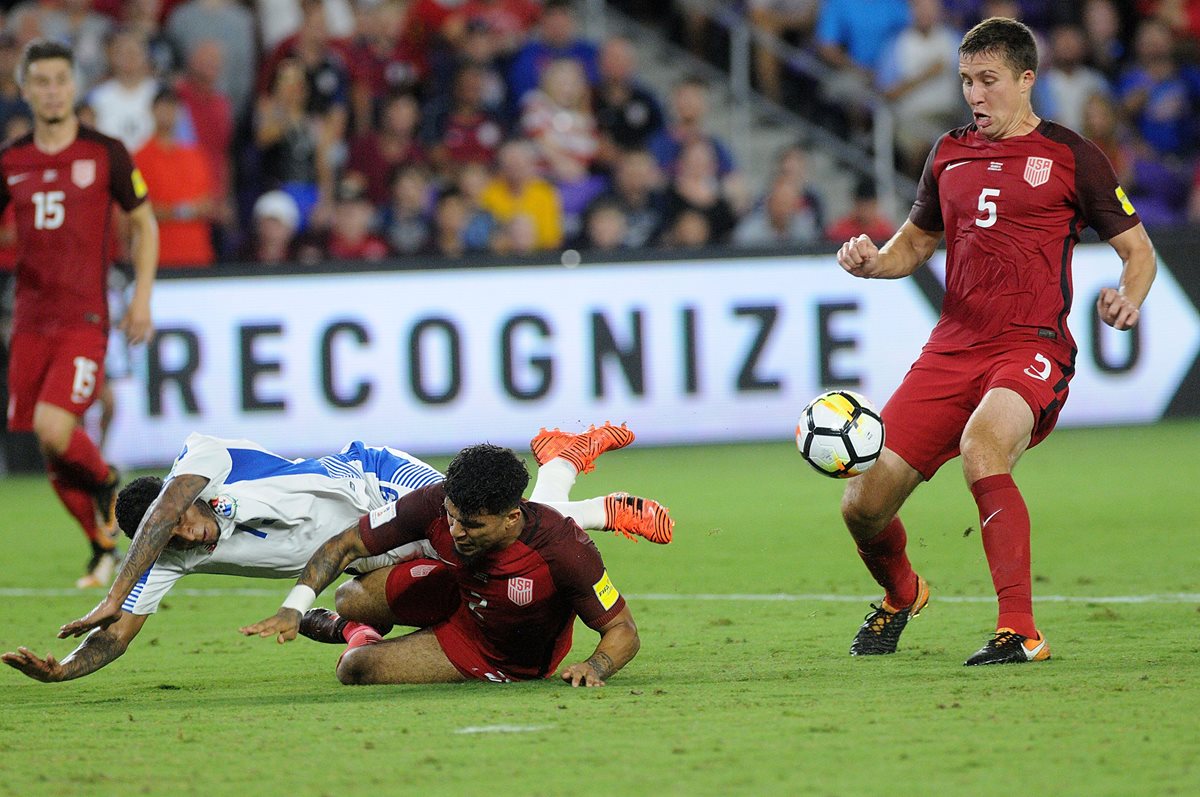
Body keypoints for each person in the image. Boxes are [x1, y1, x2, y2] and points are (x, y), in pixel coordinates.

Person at [833, 17, 1156, 666]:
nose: (974, 96)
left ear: (1025, 79)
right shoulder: (948, 154)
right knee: (861, 504)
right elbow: (915, 245)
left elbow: (1137, 250)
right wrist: (874, 262)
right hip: (953, 350)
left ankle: (1021, 630)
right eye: (965, 82)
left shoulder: (1071, 155)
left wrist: (1131, 294)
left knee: (984, 449)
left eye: (988, 81)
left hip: (1030, 347)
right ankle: (902, 592)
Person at [3, 423, 672, 683]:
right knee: (412, 577)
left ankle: (578, 490)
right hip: (354, 548)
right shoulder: (172, 555)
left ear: (189, 500)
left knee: (481, 525)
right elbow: (118, 636)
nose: (191, 536)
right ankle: (562, 459)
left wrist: (114, 586)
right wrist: (61, 669)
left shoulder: (201, 460)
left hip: (377, 479)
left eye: (184, 521)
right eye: (174, 541)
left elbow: (165, 511)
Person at [241, 442, 640, 687]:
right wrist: (293, 606)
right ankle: (351, 618)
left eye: (472, 524)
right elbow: (345, 545)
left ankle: (356, 635)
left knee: (354, 670)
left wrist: (595, 666)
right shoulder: (434, 502)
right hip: (456, 591)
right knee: (349, 596)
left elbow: (622, 629)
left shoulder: (565, 549)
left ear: (511, 518)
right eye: (451, 516)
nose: (456, 531)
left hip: (494, 652)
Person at [0, 39, 159, 589]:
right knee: (47, 444)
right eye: (40, 81)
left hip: (83, 319)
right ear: (25, 89)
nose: (51, 91)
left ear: (74, 86)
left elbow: (145, 223)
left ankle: (107, 480)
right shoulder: (11, 160)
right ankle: (100, 543)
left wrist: (140, 298)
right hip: (27, 322)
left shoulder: (105, 152)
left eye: (60, 80)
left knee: (53, 425)